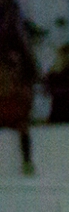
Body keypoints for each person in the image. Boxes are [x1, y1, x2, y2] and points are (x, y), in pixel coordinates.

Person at [0, 42, 36, 175]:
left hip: (15, 118)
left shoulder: (21, 89)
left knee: (23, 127)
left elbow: (26, 110)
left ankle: (27, 161)